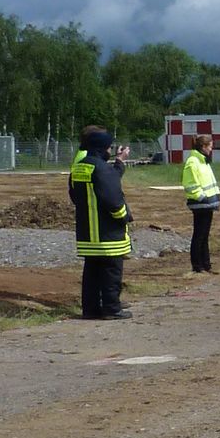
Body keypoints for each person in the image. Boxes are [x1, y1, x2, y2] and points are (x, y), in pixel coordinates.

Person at [70, 124, 134, 318]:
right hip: (108, 235)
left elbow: (75, 196)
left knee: (91, 274)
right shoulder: (101, 169)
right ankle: (111, 309)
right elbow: (113, 200)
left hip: (88, 234)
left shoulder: (80, 167)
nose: (110, 150)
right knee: (111, 274)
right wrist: (124, 217)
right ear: (101, 146)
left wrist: (118, 163)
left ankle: (90, 310)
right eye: (108, 146)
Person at [181, 131, 220, 274]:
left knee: (204, 235)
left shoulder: (203, 161)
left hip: (208, 203)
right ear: (203, 146)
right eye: (210, 146)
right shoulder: (193, 162)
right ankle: (197, 266)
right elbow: (189, 183)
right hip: (201, 204)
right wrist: (202, 197)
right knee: (199, 235)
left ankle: (206, 264)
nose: (211, 149)